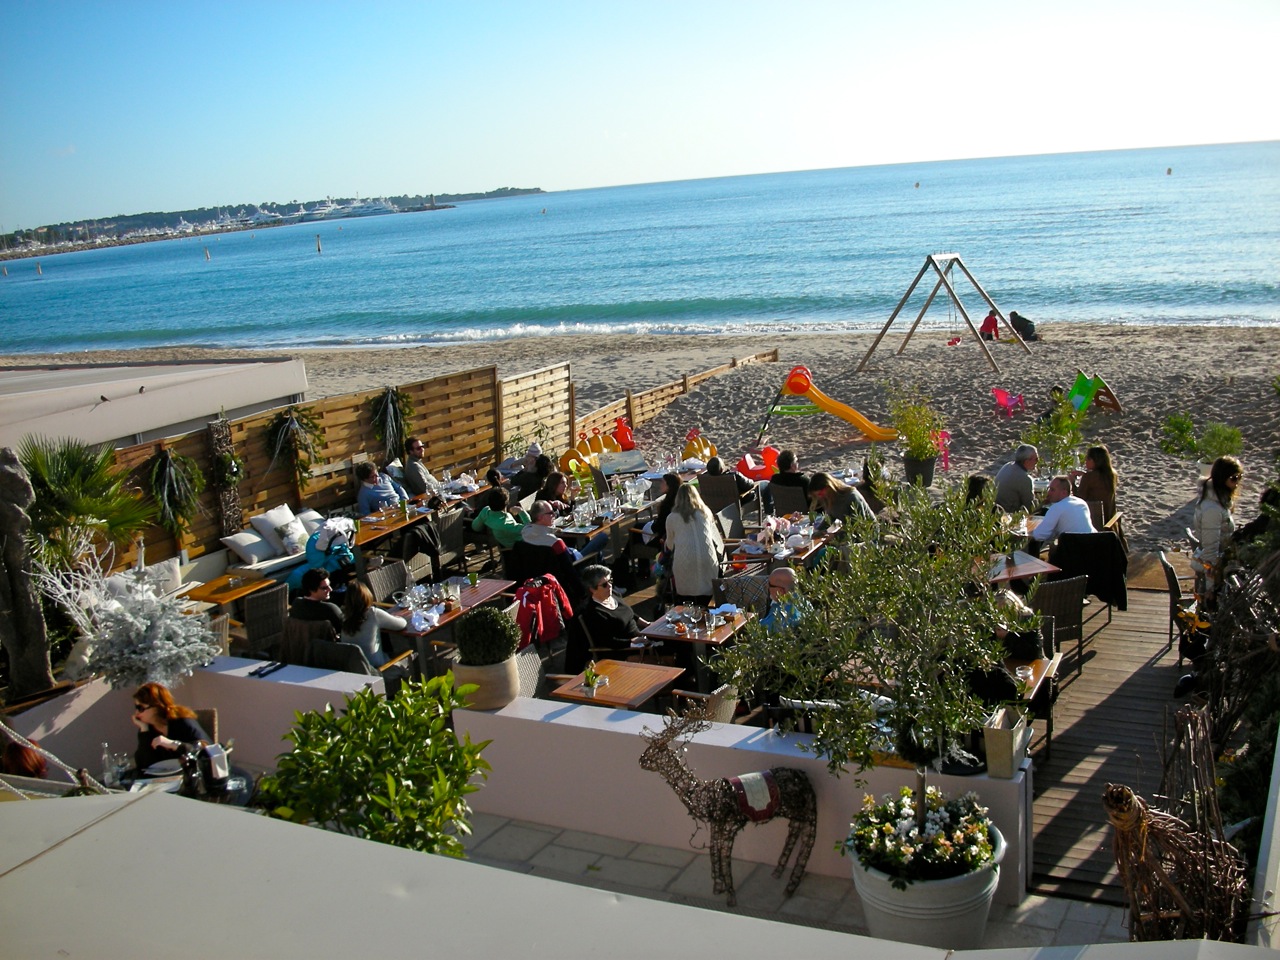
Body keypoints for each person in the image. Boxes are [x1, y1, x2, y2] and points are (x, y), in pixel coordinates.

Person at [565, 564, 651, 672]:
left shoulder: (613, 595)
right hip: (624, 651)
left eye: (610, 581)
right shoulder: (593, 612)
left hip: (640, 640)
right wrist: (633, 642)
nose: (610, 586)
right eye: (605, 584)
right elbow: (608, 641)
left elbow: (629, 613)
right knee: (668, 652)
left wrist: (648, 625)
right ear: (592, 589)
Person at [664, 484, 724, 603]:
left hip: (684, 559)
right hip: (707, 556)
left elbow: (670, 545)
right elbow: (716, 538)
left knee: (686, 598)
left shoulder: (672, 517)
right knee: (706, 596)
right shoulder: (706, 512)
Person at [1193, 456, 1243, 600]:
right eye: (1234, 478)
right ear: (1222, 478)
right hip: (1216, 563)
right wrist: (1211, 590)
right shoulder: (1212, 509)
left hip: (1221, 557)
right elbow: (1210, 551)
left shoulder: (1218, 500)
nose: (1238, 482)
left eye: (1240, 477)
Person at [132, 682, 210, 772]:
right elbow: (143, 765)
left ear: (156, 707)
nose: (136, 713)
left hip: (191, 775)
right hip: (166, 779)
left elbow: (206, 751)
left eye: (140, 708)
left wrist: (173, 744)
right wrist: (144, 730)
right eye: (136, 707)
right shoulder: (148, 728)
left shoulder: (182, 722)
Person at [340, 581, 407, 670]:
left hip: (355, 668)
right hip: (378, 668)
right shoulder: (373, 613)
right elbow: (401, 625)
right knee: (411, 653)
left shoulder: (345, 616)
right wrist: (397, 616)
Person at [1028, 476, 1096, 556]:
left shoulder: (1057, 507)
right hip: (1094, 548)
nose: (1049, 493)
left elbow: (1039, 535)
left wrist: (1026, 533)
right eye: (1049, 489)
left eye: (1052, 490)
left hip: (1072, 554)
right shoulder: (1081, 503)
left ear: (1063, 492)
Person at [522, 499, 607, 559]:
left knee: (589, 543)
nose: (554, 515)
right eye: (551, 513)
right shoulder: (554, 541)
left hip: (547, 567)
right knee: (602, 537)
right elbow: (570, 558)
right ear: (540, 517)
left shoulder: (525, 533)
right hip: (576, 563)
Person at [1070, 445, 1119, 521]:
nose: (1085, 461)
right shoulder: (1112, 474)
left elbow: (1079, 500)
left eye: (1088, 459)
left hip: (1094, 521)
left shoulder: (1089, 477)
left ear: (1095, 461)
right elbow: (1099, 482)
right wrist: (1084, 474)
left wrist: (1072, 482)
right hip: (1110, 520)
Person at [807, 471, 873, 526]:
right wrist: (819, 531)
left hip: (867, 534)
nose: (820, 497)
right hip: (849, 531)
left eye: (820, 494)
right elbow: (830, 516)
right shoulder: (829, 498)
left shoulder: (851, 497)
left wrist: (834, 536)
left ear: (829, 487)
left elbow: (858, 525)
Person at [289, 568, 343, 634]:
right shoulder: (330, 609)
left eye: (329, 585)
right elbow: (346, 630)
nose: (330, 589)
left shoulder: (296, 604)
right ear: (311, 589)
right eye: (324, 588)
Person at [994, 444, 1039, 513]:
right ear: (1027, 460)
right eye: (1036, 459)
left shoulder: (1007, 466)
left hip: (995, 510)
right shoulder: (1024, 478)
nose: (1037, 462)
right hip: (1008, 516)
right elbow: (1030, 507)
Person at [760, 567, 806, 633]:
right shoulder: (803, 602)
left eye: (770, 585)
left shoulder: (779, 615)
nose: (767, 587)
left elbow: (758, 632)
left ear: (781, 591)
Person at [642, 472, 682, 547]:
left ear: (669, 486)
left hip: (663, 539)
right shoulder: (679, 499)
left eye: (662, 482)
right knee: (638, 526)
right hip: (674, 536)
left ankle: (624, 557)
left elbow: (658, 527)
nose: (660, 485)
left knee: (635, 532)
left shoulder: (667, 505)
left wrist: (652, 524)